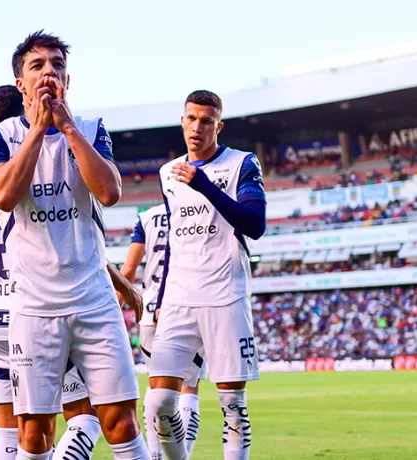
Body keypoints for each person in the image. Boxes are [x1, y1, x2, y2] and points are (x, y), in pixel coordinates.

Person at [0, 31, 150, 460]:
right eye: (37, 66)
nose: (48, 73)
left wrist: (67, 127)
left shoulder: (91, 128)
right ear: (20, 83)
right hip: (34, 305)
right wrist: (38, 131)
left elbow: (109, 192)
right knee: (34, 432)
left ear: (67, 81)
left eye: (56, 65)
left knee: (121, 421)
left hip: (93, 299)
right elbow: (2, 196)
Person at [145, 90, 266, 460]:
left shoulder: (242, 163)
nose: (197, 127)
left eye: (206, 121)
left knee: (232, 406)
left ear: (219, 125)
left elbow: (254, 224)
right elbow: (174, 242)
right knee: (158, 403)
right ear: (182, 121)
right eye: (191, 119)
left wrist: (204, 185)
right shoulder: (168, 173)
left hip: (226, 295)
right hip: (179, 298)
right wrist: (162, 299)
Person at [120, 203, 206, 458]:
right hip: (187, 306)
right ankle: (182, 455)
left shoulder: (146, 217)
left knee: (155, 388)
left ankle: (156, 454)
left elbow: (128, 271)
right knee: (188, 389)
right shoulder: (198, 208)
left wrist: (115, 309)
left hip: (149, 311)